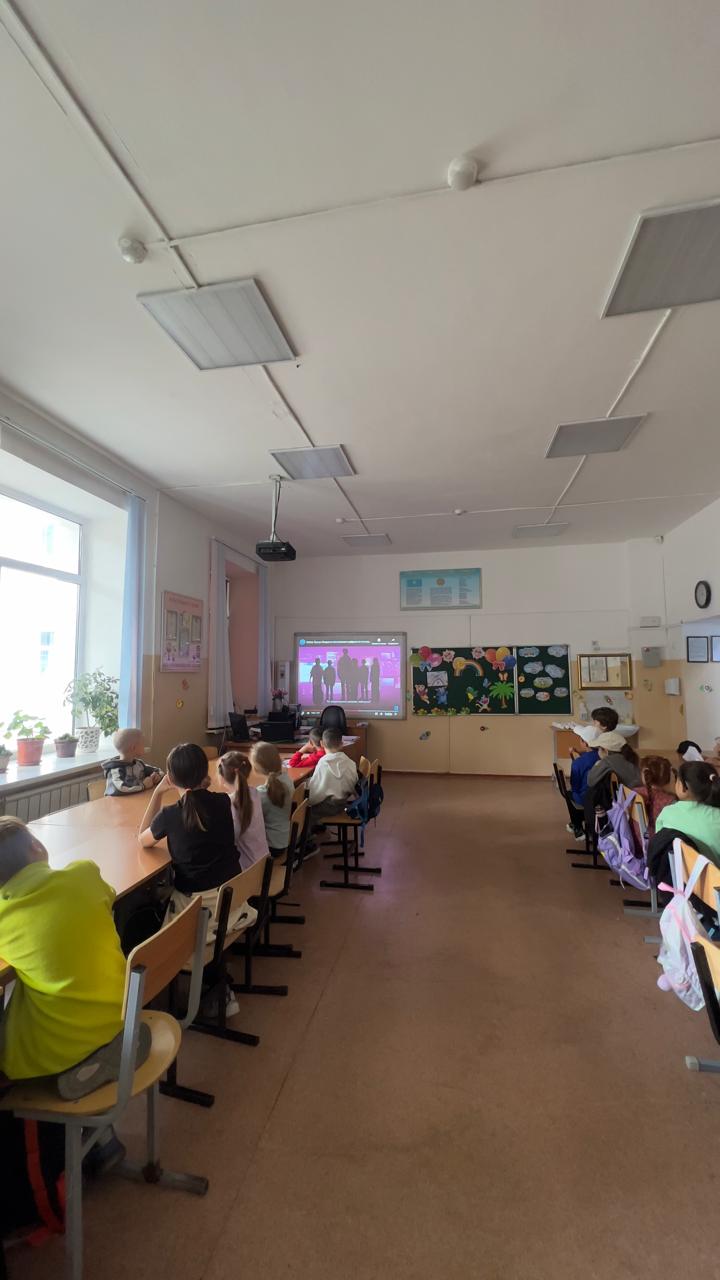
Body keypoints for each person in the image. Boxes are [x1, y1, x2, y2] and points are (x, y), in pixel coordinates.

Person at [0, 816, 140, 1101]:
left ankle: (71, 1074)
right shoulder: (85, 874)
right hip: (121, 1016)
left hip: (57, 1053)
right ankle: (105, 1057)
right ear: (37, 847)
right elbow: (109, 896)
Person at [139, 743, 240, 907]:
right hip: (234, 896)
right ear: (205, 773)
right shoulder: (224, 801)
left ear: (170, 779)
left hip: (195, 906)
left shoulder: (169, 814)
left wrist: (157, 793)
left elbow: (143, 839)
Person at [565, 708, 620, 837]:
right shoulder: (604, 755)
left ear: (584, 743)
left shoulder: (578, 763)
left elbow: (575, 785)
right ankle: (580, 824)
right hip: (605, 798)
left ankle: (577, 825)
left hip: (587, 799)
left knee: (569, 793)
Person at [655, 760, 720, 866]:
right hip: (715, 875)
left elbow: (659, 846)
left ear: (683, 788)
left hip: (679, 874)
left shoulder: (667, 813)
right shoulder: (717, 816)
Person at [217, 751, 270, 869]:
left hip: (248, 871)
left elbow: (228, 840)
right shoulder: (255, 793)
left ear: (222, 777)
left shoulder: (229, 803)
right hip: (265, 862)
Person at [583, 731, 641, 829]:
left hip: (630, 806)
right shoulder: (631, 757)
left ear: (606, 750)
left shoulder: (608, 760)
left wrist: (597, 765)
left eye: (599, 748)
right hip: (638, 800)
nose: (598, 752)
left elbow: (590, 781)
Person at [307, 729, 358, 831]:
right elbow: (354, 783)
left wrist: (306, 799)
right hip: (343, 802)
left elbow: (315, 795)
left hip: (327, 807)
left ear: (322, 743)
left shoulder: (323, 764)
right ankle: (320, 830)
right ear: (342, 744)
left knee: (305, 812)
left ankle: (312, 837)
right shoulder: (350, 762)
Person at [250, 742, 294, 855]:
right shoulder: (287, 779)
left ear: (256, 767)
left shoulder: (262, 793)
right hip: (287, 837)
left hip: (273, 846)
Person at [102, 728, 162, 796]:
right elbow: (119, 789)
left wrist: (157, 776)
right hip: (118, 802)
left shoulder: (139, 764)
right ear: (133, 748)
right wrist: (143, 785)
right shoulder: (115, 770)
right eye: (142, 744)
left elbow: (158, 771)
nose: (144, 746)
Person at [632, 755, 675, 847]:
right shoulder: (670, 801)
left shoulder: (634, 793)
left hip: (633, 843)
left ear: (644, 775)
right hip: (659, 848)